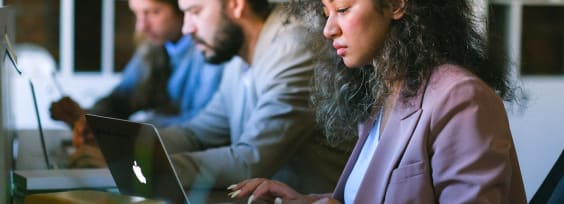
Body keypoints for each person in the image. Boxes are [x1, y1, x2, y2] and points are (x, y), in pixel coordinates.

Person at [229, 0, 528, 203]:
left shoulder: (461, 98)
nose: (328, 28)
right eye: (326, 11)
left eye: (343, 8)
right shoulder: (383, 96)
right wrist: (308, 201)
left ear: (396, 4)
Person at [153, 0, 352, 194]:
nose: (186, 28)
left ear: (236, 5)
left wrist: (155, 166)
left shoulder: (295, 47)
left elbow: (250, 161)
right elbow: (198, 134)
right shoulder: (238, 58)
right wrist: (139, 144)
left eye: (195, 12)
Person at [49, 0, 224, 147]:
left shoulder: (209, 50)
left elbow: (202, 126)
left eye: (153, 12)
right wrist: (89, 119)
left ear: (181, 8)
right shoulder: (153, 48)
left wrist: (126, 131)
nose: (141, 26)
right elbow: (120, 100)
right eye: (137, 13)